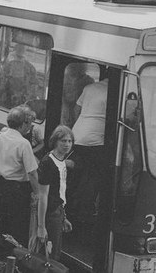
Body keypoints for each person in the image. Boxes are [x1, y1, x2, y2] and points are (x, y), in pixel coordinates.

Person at [0, 106, 40, 257]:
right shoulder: (23, 143)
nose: (29, 127)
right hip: (18, 190)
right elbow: (32, 173)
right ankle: (13, 262)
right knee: (16, 228)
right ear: (23, 124)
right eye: (28, 124)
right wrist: (38, 194)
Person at [68, 77, 108, 232]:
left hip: (77, 136)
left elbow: (76, 110)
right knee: (92, 181)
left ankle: (72, 212)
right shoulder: (114, 90)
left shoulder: (90, 87)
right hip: (95, 141)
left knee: (75, 178)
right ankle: (84, 218)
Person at [37, 125, 75, 261]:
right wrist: (41, 227)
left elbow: (61, 192)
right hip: (49, 213)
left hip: (58, 211)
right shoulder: (48, 162)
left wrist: (63, 217)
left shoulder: (62, 162)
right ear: (55, 141)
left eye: (69, 141)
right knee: (49, 255)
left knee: (54, 252)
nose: (67, 145)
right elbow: (42, 195)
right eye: (63, 141)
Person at [0, 43, 38, 108]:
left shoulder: (30, 68)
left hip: (22, 101)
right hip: (9, 99)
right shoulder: (8, 65)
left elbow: (33, 87)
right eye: (20, 48)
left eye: (22, 48)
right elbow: (1, 83)